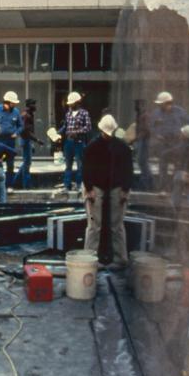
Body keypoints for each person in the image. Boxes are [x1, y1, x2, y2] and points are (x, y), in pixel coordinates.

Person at [82, 114, 133, 266]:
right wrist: (89, 189)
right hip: (96, 188)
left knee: (116, 226)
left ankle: (120, 259)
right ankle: (89, 259)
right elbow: (86, 169)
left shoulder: (122, 148)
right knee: (93, 226)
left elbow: (128, 169)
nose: (107, 136)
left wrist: (125, 189)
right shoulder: (92, 147)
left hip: (116, 187)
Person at [149, 91, 189, 192]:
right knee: (163, 165)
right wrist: (156, 134)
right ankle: (163, 188)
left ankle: (177, 189)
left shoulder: (180, 113)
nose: (160, 106)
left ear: (168, 103)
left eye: (162, 104)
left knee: (179, 166)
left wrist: (183, 135)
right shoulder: (156, 113)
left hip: (177, 143)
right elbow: (151, 126)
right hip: (164, 144)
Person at [58, 91, 91, 191]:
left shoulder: (84, 113)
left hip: (79, 142)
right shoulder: (68, 114)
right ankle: (67, 185)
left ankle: (79, 184)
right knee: (68, 164)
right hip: (69, 142)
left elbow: (88, 127)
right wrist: (58, 133)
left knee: (80, 164)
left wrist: (77, 132)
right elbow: (65, 126)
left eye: (72, 103)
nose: (70, 105)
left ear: (77, 102)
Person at [14, 99, 44, 189]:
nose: (35, 107)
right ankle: (26, 185)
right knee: (27, 164)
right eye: (34, 104)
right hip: (25, 140)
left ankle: (15, 183)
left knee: (26, 163)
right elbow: (26, 131)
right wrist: (37, 140)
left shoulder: (29, 115)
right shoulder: (26, 116)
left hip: (27, 140)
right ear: (29, 105)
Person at [171, 124, 189, 211]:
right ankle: (188, 209)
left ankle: (177, 209)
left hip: (181, 173)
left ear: (185, 136)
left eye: (182, 133)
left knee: (177, 190)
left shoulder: (180, 147)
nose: (180, 134)